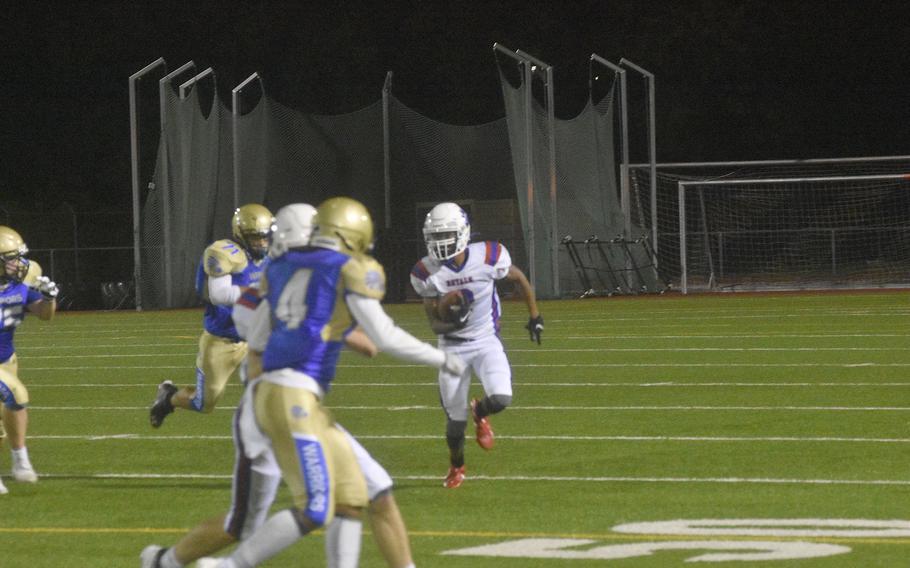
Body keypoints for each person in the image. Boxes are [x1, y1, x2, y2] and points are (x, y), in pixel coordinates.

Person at [141, 204, 417, 568]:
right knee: (257, 520)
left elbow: (365, 342)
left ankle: (172, 562)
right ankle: (174, 562)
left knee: (375, 491)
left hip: (300, 409)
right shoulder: (276, 285)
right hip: (272, 415)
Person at [213, 196, 465, 568]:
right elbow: (384, 337)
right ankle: (228, 566)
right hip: (291, 395)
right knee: (316, 507)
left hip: (280, 394)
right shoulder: (346, 267)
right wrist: (443, 358)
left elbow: (259, 333)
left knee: (367, 491)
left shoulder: (279, 270)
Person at [409, 202, 543, 489]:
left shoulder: (489, 256)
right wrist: (455, 319)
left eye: (445, 234)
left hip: (485, 341)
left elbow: (518, 277)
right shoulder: (425, 272)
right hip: (451, 348)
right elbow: (434, 323)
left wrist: (535, 317)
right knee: (454, 425)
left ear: (462, 233)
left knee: (502, 398)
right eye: (435, 236)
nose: (439, 242)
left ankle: (480, 412)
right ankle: (457, 466)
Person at [149, 204, 273, 428]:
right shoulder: (225, 253)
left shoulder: (273, 254)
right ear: (240, 234)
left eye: (265, 237)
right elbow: (219, 294)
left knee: (276, 388)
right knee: (205, 402)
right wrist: (259, 293)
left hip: (256, 337)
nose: (262, 243)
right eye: (255, 238)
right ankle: (169, 398)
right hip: (222, 339)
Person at [0, 226, 59, 493]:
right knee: (17, 395)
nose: (18, 263)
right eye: (11, 258)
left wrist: (49, 299)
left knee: (13, 407)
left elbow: (44, 314)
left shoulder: (19, 281)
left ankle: (20, 459)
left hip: (6, 359)